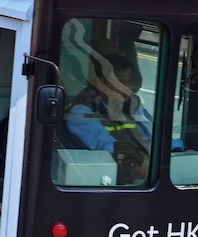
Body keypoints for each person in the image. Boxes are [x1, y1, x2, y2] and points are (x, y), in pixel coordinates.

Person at [60, 52, 153, 183]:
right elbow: (106, 147)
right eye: (120, 81)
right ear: (101, 83)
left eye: (129, 81)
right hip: (100, 177)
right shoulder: (82, 110)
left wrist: (176, 149)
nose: (127, 87)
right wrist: (139, 160)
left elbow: (155, 135)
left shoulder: (133, 105)